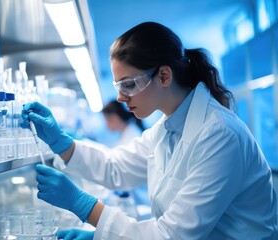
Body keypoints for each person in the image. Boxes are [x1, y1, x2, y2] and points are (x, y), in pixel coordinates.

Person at [21, 22, 278, 239]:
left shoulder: (219, 135)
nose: (121, 97)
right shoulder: (165, 129)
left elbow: (171, 236)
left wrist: (84, 206)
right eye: (118, 86)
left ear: (164, 76)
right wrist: (61, 143)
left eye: (129, 84)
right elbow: (116, 167)